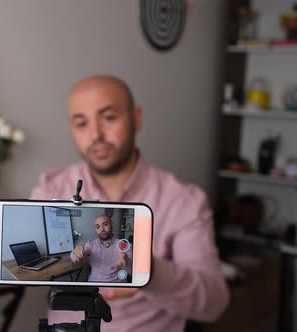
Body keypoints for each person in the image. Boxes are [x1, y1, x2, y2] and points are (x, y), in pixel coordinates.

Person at [30, 75, 229, 331]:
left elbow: (214, 304)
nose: (96, 135)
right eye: (81, 123)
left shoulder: (183, 201)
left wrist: (148, 271)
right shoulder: (52, 188)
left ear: (136, 118)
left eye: (109, 117)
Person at [71, 214, 132, 283]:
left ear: (112, 225)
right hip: (95, 284)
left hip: (116, 285)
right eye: (97, 227)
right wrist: (75, 251)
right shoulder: (91, 245)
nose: (102, 229)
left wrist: (125, 257)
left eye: (105, 224)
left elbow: (132, 271)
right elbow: (75, 258)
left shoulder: (123, 244)